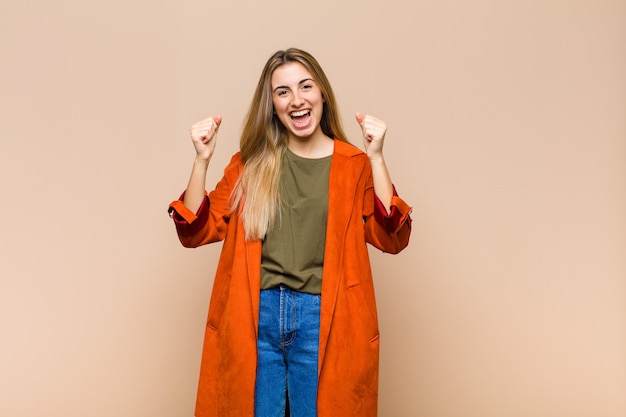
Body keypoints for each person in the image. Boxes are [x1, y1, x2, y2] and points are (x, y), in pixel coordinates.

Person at [168, 48, 412, 417]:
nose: (296, 100)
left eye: (305, 86)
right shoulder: (250, 164)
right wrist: (201, 161)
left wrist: (377, 157)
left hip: (324, 320)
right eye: (283, 92)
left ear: (322, 94)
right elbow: (195, 229)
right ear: (273, 105)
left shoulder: (353, 164)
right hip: (256, 317)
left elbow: (391, 235)